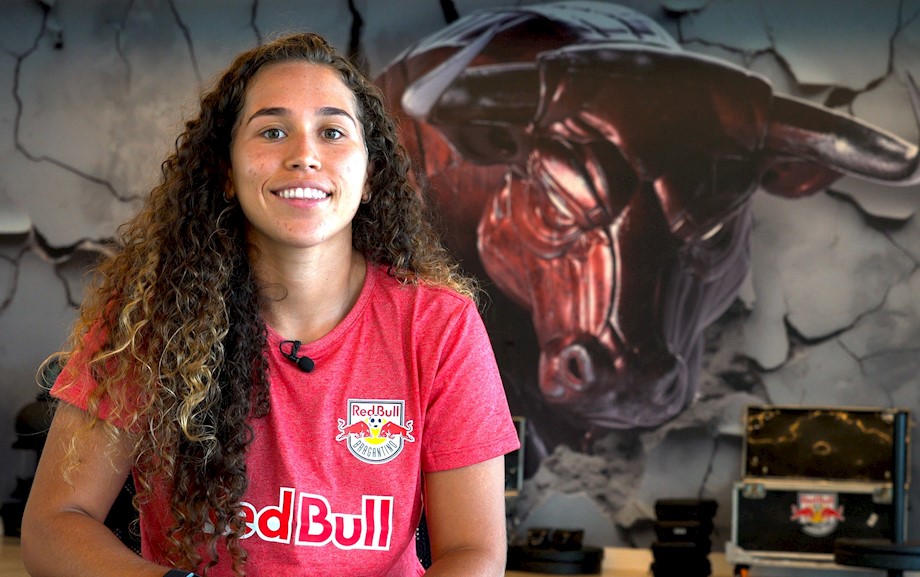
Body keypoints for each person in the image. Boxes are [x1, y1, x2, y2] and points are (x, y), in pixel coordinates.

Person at [21, 32, 520, 577]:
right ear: (226, 173)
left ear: (371, 173)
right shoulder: (148, 319)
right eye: (272, 131)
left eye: (332, 132)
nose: (304, 155)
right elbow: (54, 525)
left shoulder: (439, 324)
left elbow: (473, 553)